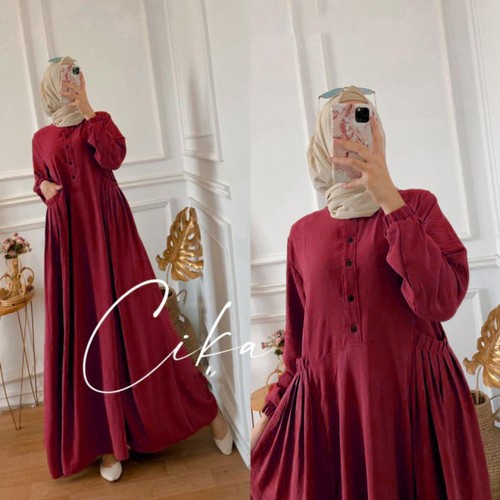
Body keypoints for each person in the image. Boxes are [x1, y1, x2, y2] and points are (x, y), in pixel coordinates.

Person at [250, 85, 492, 499]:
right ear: (322, 142)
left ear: (378, 135)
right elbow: (299, 340)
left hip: (414, 402)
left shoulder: (418, 207)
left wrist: (390, 199)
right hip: (337, 407)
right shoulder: (302, 234)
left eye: (362, 122)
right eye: (337, 125)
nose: (350, 136)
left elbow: (441, 301)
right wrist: (272, 411)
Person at [32, 56, 233, 482]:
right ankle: (108, 442)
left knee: (144, 325)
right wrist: (43, 186)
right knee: (87, 331)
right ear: (49, 84)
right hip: (70, 243)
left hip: (111, 234)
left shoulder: (98, 121)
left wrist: (87, 107)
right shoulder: (40, 137)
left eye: (76, 73)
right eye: (63, 76)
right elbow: (40, 177)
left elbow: (113, 156)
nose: (71, 81)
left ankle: (207, 411)